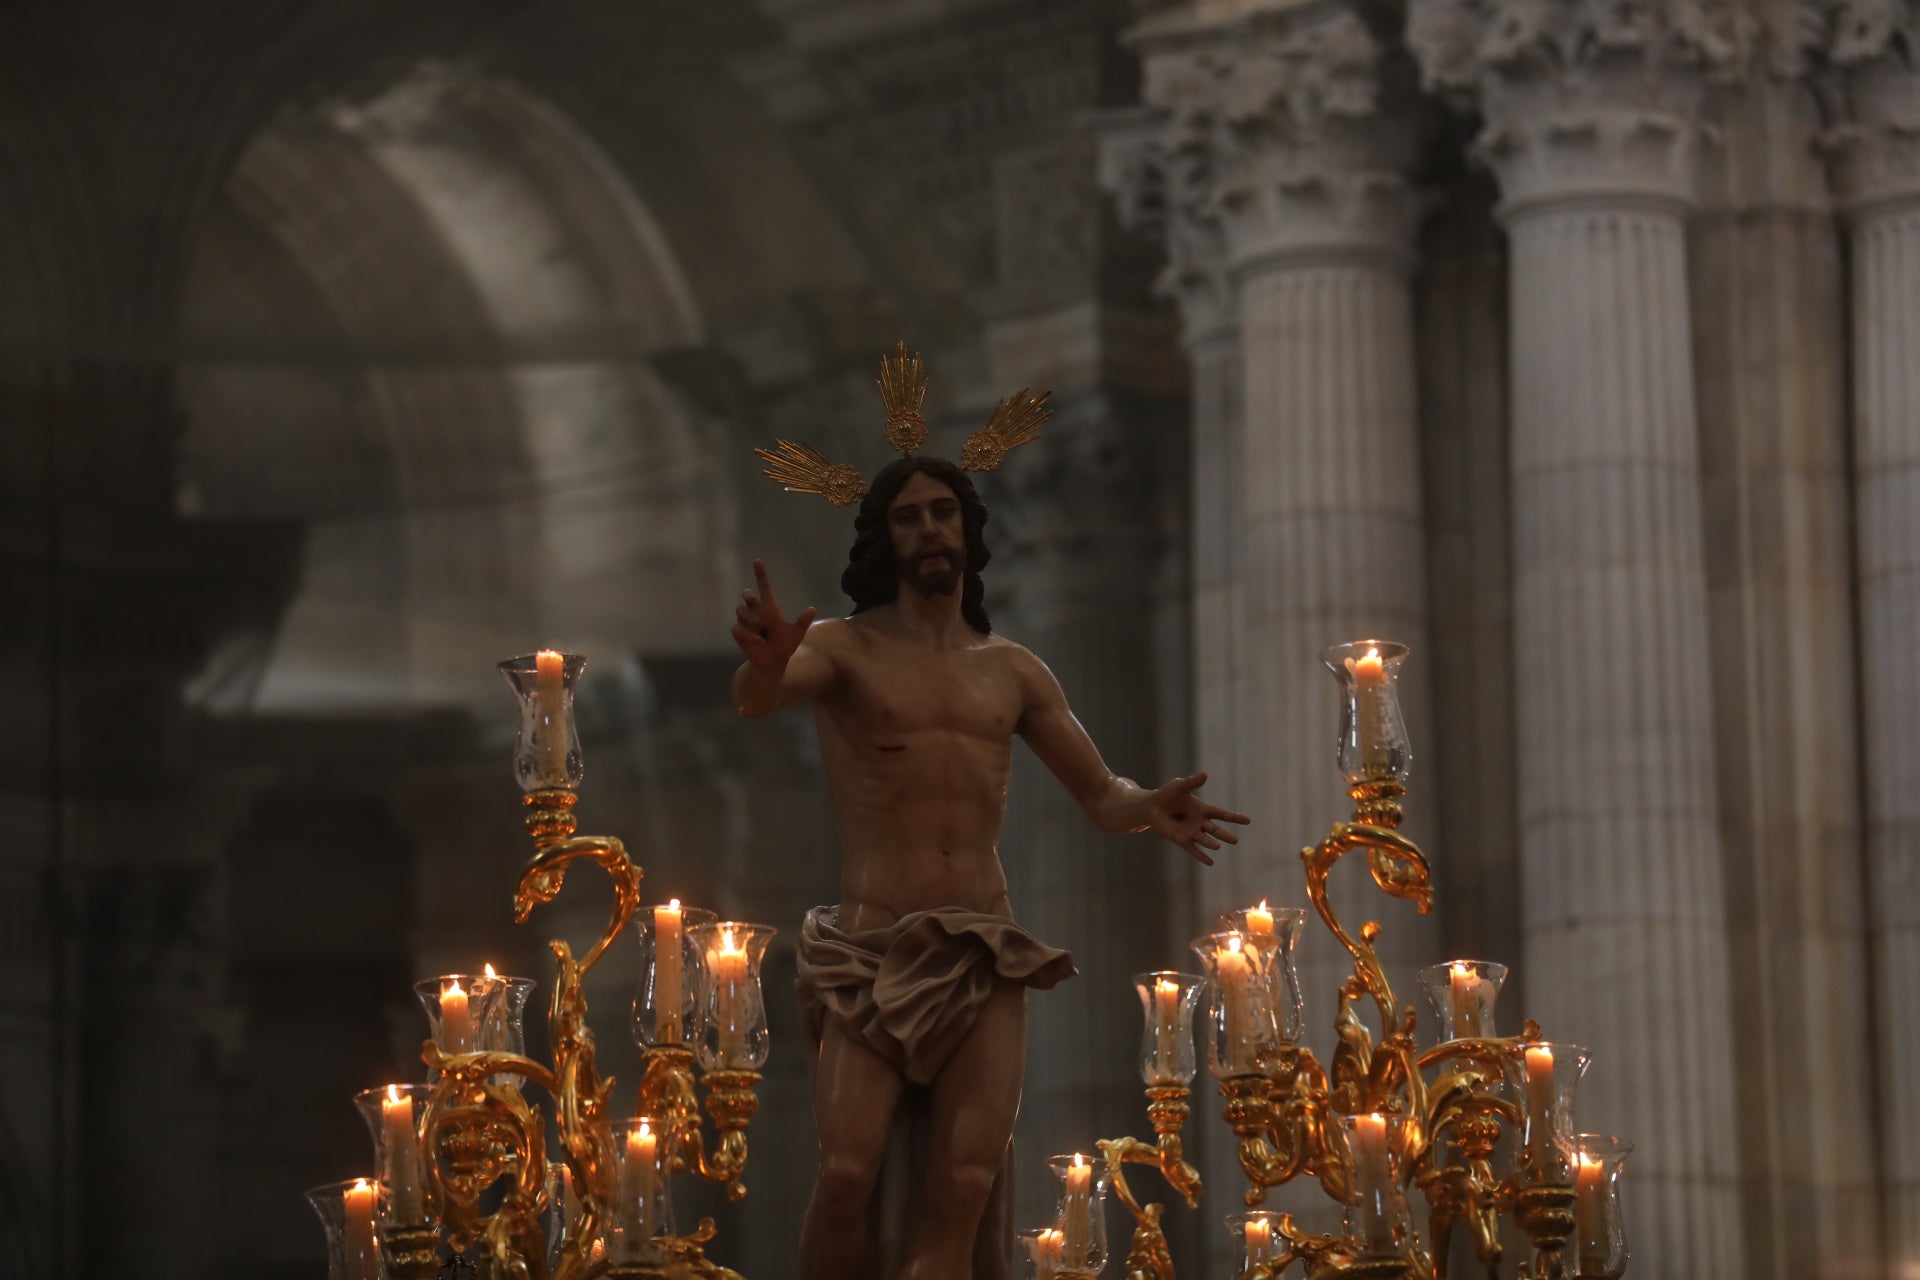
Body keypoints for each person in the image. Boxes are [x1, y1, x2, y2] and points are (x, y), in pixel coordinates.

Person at [730, 453, 1249, 1280]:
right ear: (883, 539)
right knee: (845, 1173)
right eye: (909, 516)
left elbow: (1100, 791)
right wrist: (764, 668)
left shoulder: (1013, 670)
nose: (930, 528)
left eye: (943, 512)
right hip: (870, 947)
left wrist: (1149, 805)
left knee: (966, 1180)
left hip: (982, 948)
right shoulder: (844, 649)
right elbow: (763, 697)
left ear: (968, 530)